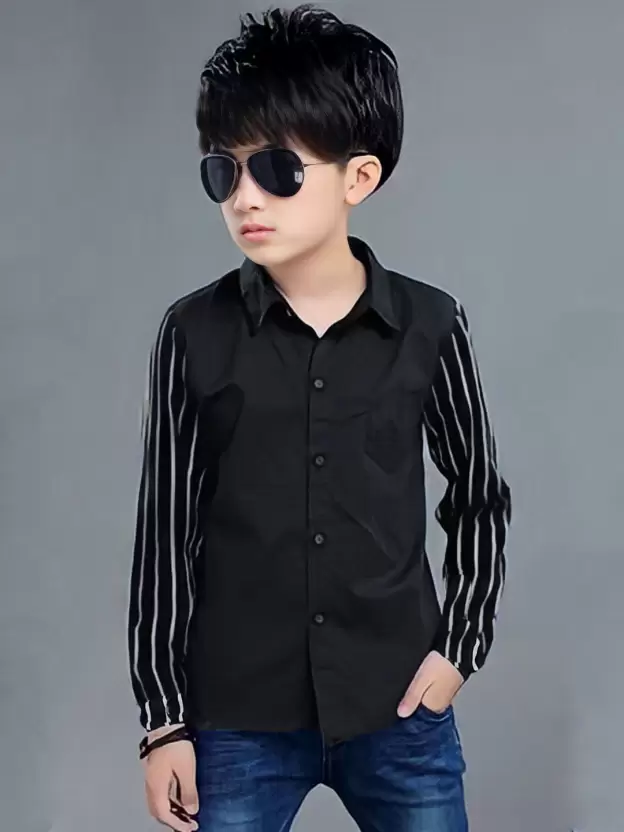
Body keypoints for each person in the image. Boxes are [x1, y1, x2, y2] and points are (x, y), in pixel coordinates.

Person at [127, 5, 512, 831]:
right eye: (223, 171)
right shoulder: (191, 333)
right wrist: (163, 722)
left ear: (358, 178)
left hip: (398, 709)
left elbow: (479, 496)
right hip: (237, 720)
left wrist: (460, 651)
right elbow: (165, 531)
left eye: (276, 168)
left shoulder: (431, 324)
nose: (245, 197)